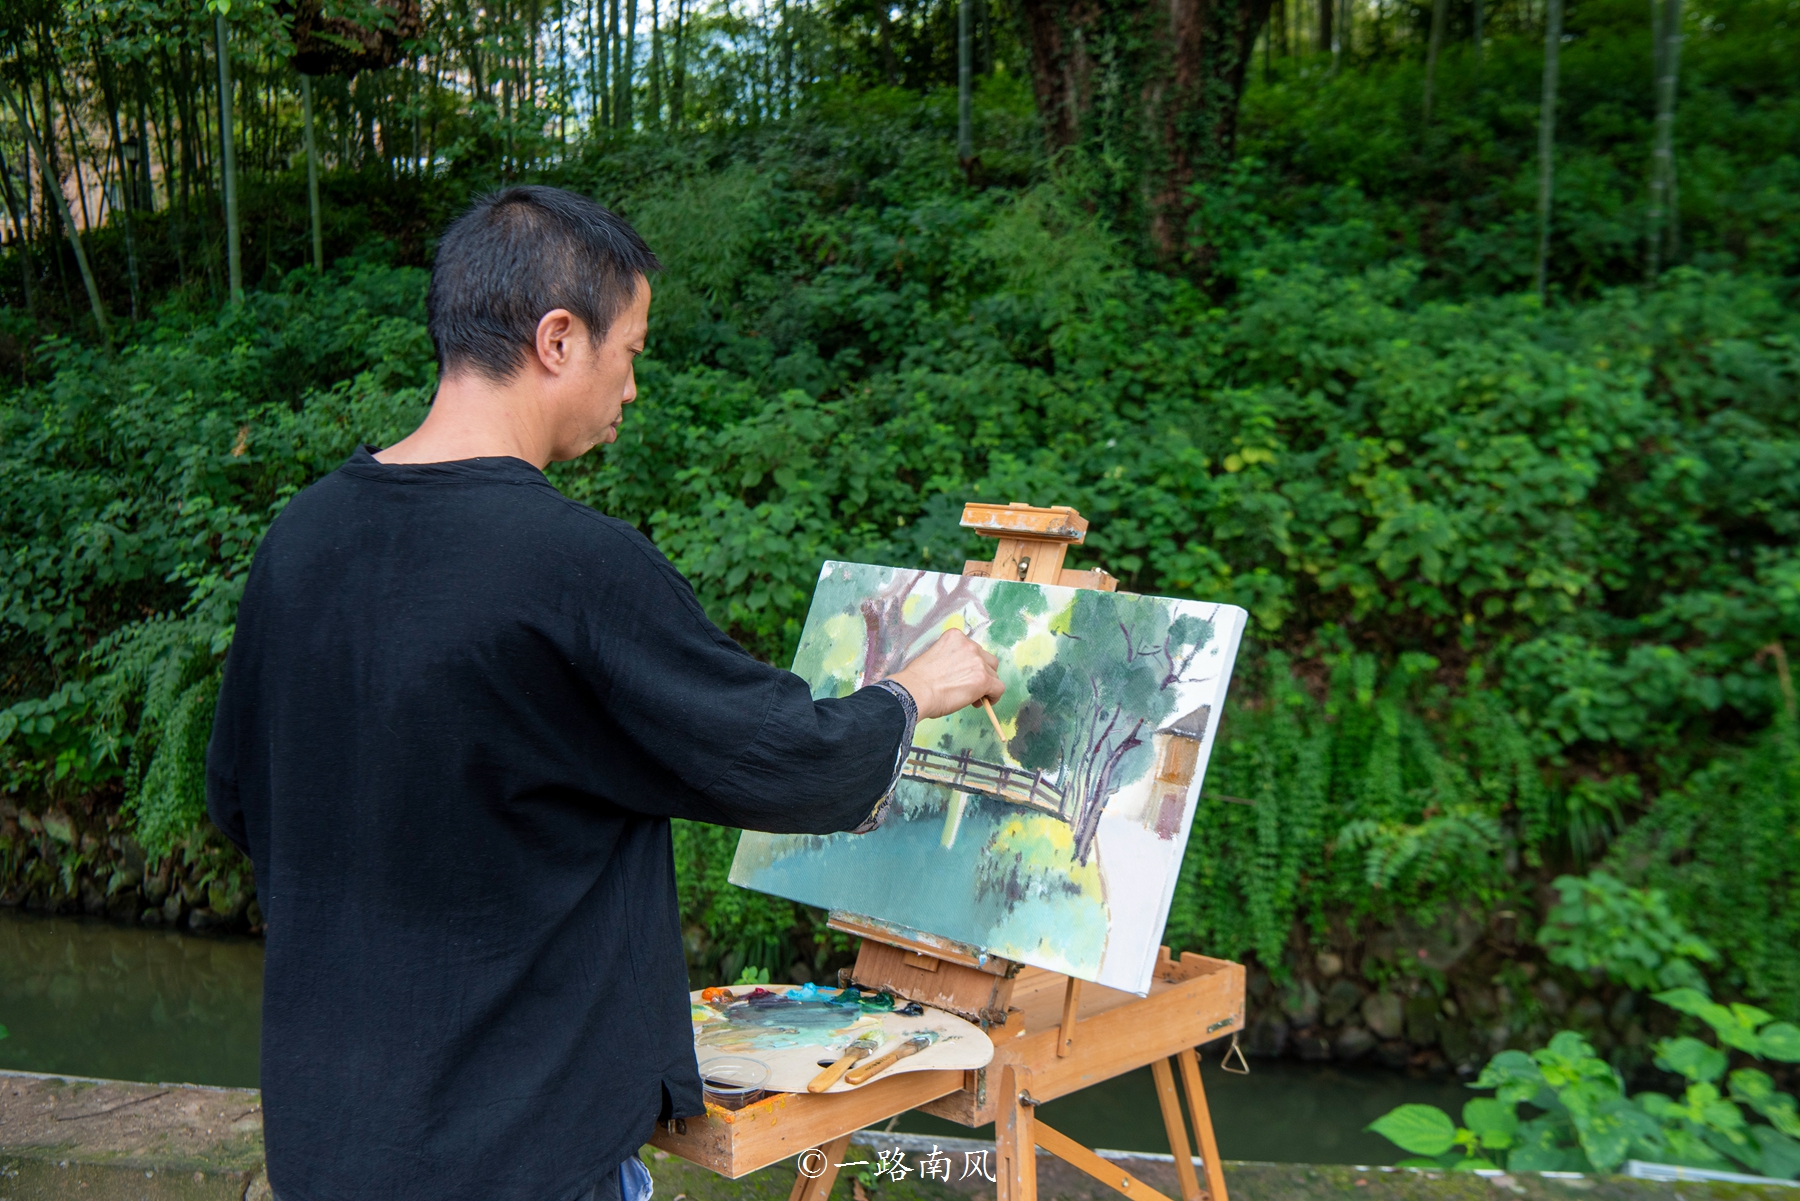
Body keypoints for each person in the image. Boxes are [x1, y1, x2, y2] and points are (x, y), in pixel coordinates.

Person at [205, 185, 1003, 1201]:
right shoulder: (574, 567)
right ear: (558, 339)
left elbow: (238, 801)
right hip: (516, 1157)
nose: (631, 387)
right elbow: (784, 757)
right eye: (630, 352)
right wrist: (914, 688)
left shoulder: (302, 539)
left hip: (327, 1143)